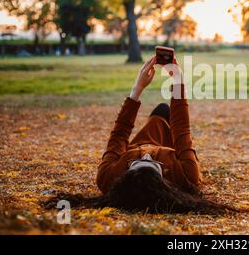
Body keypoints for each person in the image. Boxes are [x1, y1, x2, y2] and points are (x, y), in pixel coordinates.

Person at [44, 55, 234, 214]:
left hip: (142, 140)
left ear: (125, 176)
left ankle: (148, 149)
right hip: (171, 147)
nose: (147, 155)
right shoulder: (186, 177)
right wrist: (178, 81)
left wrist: (137, 89)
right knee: (164, 111)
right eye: (154, 164)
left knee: (160, 111)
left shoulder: (108, 179)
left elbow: (119, 134)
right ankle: (159, 135)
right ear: (164, 182)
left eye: (137, 162)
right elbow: (181, 129)